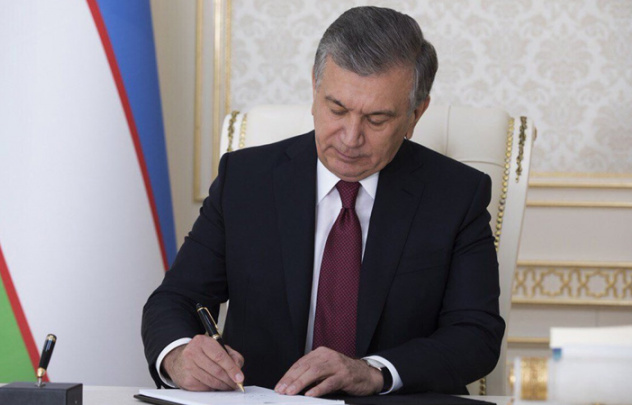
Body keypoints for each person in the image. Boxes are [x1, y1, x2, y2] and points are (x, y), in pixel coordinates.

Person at [142, 6, 504, 396]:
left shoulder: (457, 195)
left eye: (377, 119)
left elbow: (476, 334)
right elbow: (176, 299)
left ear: (416, 114)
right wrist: (178, 356)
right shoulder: (245, 180)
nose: (350, 138)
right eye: (337, 109)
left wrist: (373, 372)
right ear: (315, 91)